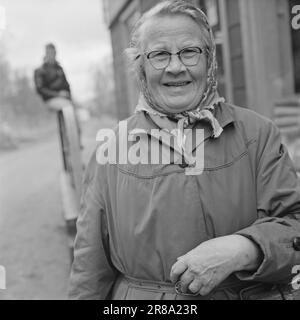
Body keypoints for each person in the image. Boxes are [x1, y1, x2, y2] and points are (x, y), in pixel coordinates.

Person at [68, 0, 300, 300]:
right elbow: (89, 270)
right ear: (140, 67)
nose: (176, 67)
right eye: (160, 54)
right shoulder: (110, 151)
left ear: (210, 60)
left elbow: (295, 224)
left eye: (189, 52)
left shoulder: (257, 134)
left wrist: (245, 248)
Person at [34, 43, 81, 146]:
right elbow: (40, 89)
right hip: (50, 100)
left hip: (64, 100)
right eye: (49, 52)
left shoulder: (60, 68)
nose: (52, 55)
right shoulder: (40, 70)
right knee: (67, 107)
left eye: (53, 52)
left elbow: (67, 85)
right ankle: (71, 138)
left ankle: (75, 138)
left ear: (56, 53)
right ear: (46, 53)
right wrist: (58, 95)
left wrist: (68, 96)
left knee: (72, 110)